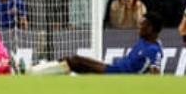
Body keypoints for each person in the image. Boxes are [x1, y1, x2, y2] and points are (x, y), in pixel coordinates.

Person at [27, 12, 164, 75]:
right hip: (112, 68)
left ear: (151, 28)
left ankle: (33, 72)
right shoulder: (145, 40)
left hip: (116, 75)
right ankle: (39, 70)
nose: (139, 27)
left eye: (142, 25)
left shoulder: (153, 49)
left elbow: (155, 72)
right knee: (72, 62)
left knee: (75, 62)